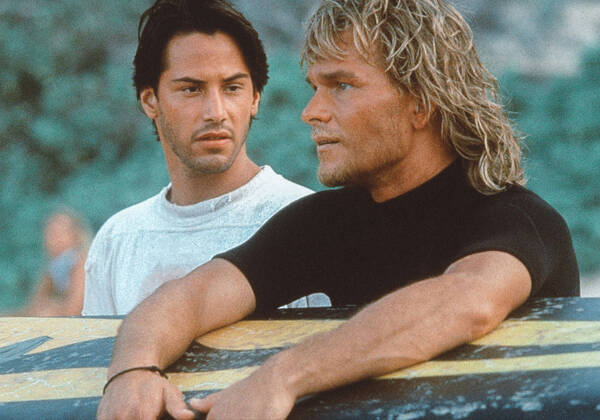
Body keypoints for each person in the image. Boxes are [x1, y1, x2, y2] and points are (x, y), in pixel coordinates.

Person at [97, 0, 580, 419]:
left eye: (342, 85)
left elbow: (467, 301)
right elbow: (191, 298)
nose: (312, 111)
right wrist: (133, 370)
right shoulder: (326, 224)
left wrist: (283, 376)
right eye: (314, 86)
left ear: (421, 101)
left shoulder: (519, 220)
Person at [82, 0, 330, 316]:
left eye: (232, 88)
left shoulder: (307, 226)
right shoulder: (118, 241)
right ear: (150, 101)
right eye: (191, 89)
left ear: (255, 98)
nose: (216, 112)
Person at [12, 209, 91, 316]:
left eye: (61, 232)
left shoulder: (82, 261)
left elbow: (73, 310)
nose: (55, 238)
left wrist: (52, 309)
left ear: (77, 235)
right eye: (51, 232)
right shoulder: (55, 267)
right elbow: (33, 307)